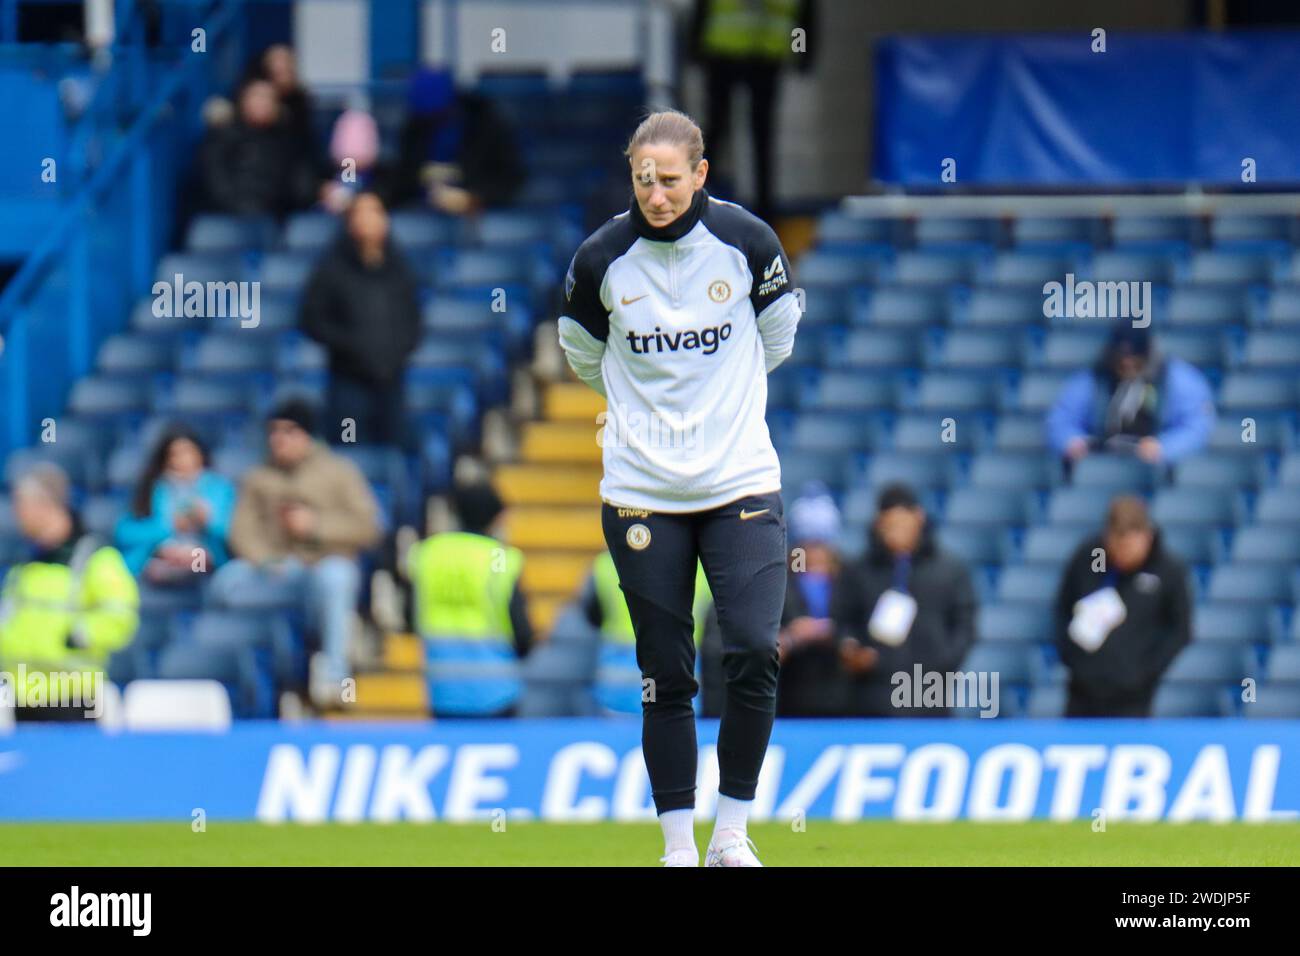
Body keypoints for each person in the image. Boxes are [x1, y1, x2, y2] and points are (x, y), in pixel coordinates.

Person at [557, 109, 801, 866]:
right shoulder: (601, 260)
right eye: (642, 180)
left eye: (669, 180)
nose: (655, 194)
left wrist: (712, 416)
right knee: (666, 673)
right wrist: (653, 422)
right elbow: (582, 357)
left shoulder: (750, 243)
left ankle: (731, 833)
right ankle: (676, 849)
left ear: (700, 174)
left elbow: (778, 340)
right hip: (642, 492)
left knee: (755, 648)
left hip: (740, 483)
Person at [207, 397, 382, 709]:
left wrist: (315, 526)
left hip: (324, 563)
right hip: (275, 567)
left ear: (307, 436)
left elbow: (368, 527)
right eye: (274, 432)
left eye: (288, 431)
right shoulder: (258, 476)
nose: (279, 439)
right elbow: (240, 531)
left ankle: (334, 675)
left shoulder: (339, 471)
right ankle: (227, 671)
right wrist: (265, 559)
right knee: (225, 580)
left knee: (336, 578)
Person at [0, 463, 138, 719]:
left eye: (21, 503)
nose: (16, 513)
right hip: (21, 697)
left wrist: (77, 635)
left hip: (74, 699)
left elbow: (121, 615)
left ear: (44, 505)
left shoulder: (96, 558)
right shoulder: (24, 566)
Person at [831, 484, 978, 717]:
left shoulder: (950, 570)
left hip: (929, 695)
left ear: (918, 518)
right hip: (870, 699)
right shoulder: (859, 570)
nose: (895, 533)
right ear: (878, 523)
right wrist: (851, 649)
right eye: (889, 526)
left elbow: (964, 625)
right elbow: (841, 621)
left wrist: (942, 664)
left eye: (901, 525)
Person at [299, 190, 422, 449]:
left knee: (392, 448)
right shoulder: (331, 269)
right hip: (348, 380)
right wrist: (352, 347)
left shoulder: (400, 269)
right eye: (360, 213)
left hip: (391, 379)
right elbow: (311, 319)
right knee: (349, 446)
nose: (367, 220)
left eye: (374, 212)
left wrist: (398, 350)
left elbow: (413, 320)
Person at [1054, 495, 1191, 717]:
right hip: (1082, 692)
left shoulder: (1167, 571)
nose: (1122, 554)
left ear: (1146, 537)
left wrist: (1145, 672)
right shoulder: (1089, 560)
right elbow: (1062, 610)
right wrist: (1072, 659)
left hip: (1133, 696)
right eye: (1116, 545)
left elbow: (1180, 630)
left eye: (1129, 546)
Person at [407, 481, 532, 717]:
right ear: (495, 517)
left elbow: (409, 617)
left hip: (442, 692)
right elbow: (523, 635)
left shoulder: (427, 552)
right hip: (497, 693)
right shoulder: (503, 559)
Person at [689, 0, 816, 220]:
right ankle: (699, 203)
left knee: (755, 137)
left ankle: (762, 211)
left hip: (752, 53)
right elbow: (803, 15)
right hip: (728, 50)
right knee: (724, 133)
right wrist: (801, 52)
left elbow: (802, 13)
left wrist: (801, 50)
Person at [1047, 323, 1215, 468]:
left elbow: (1197, 425)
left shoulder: (1179, 379)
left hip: (1157, 471)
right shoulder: (1092, 379)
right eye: (1122, 365)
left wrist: (1164, 448)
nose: (1128, 370)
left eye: (1136, 364)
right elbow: (1061, 419)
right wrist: (1071, 441)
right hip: (1100, 465)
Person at [583, 551, 711, 716]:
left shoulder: (605, 563)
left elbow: (591, 614)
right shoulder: (704, 567)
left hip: (617, 686)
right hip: (682, 679)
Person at [114, 424, 237, 584]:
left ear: (200, 453)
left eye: (187, 452)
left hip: (205, 560)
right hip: (160, 558)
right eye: (174, 454)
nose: (182, 460)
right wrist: (170, 527)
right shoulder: (151, 489)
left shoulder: (220, 488)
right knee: (156, 568)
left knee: (197, 562)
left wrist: (208, 521)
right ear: (165, 460)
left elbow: (234, 534)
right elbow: (124, 533)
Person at [392, 68, 525, 214]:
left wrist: (475, 198)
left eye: (438, 113)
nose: (432, 119)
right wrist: (421, 179)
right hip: (423, 205)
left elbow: (510, 177)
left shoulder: (486, 122)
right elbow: (404, 174)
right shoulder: (415, 126)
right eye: (428, 116)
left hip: (480, 206)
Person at [772, 482, 851, 717]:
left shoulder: (851, 579)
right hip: (790, 697)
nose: (816, 553)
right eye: (808, 544)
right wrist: (790, 637)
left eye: (821, 545)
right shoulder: (779, 581)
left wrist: (841, 637)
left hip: (845, 700)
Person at [200, 77, 316, 217]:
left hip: (277, 216)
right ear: (243, 101)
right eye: (257, 97)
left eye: (268, 98)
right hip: (231, 214)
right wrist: (240, 205)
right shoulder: (223, 136)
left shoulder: (290, 140)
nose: (263, 103)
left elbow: (300, 183)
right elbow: (215, 179)